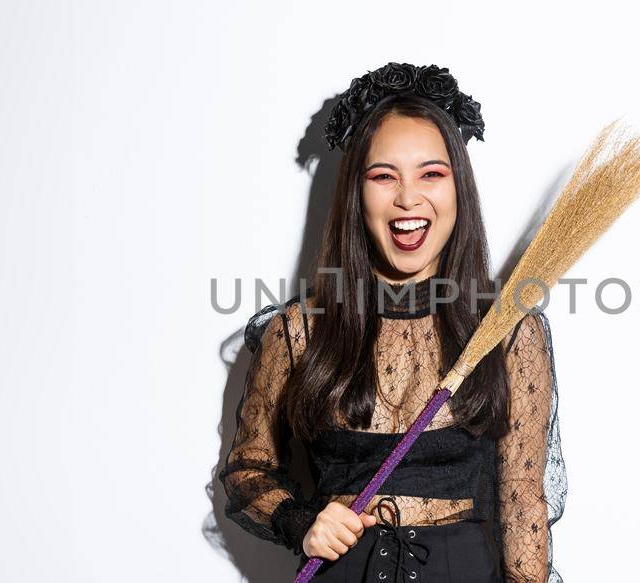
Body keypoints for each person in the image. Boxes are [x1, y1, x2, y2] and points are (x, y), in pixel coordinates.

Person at [219, 63, 567, 583]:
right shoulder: (298, 332)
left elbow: (523, 504)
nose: (409, 199)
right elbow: (247, 474)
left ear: (459, 189)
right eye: (384, 176)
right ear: (356, 194)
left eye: (432, 173)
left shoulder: (508, 332)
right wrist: (301, 521)